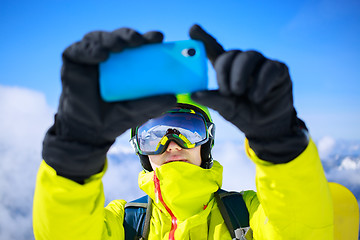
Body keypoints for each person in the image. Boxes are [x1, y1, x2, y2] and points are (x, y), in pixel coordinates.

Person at [33, 24, 334, 239]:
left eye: (187, 130)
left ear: (207, 141)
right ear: (139, 149)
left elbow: (301, 230)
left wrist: (280, 146)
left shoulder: (249, 214)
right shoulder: (123, 223)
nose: (171, 145)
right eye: (154, 136)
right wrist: (72, 159)